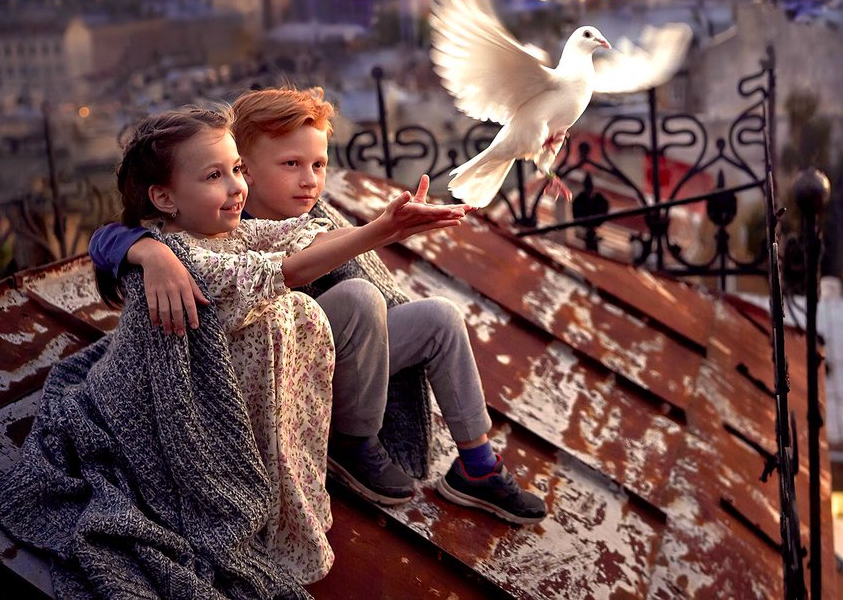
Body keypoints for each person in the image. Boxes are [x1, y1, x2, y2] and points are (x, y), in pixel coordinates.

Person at [89, 87, 548, 526]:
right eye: (291, 164)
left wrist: (389, 226)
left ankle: (478, 466)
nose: (309, 179)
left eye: (318, 164)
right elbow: (113, 235)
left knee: (439, 318)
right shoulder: (216, 221)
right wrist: (147, 250)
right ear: (245, 166)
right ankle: (353, 444)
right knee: (358, 298)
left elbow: (338, 252)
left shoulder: (313, 215)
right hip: (274, 378)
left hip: (340, 365)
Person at [102, 105, 468, 582]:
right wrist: (382, 230)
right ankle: (347, 448)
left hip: (276, 388)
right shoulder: (183, 252)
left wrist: (376, 225)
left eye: (235, 171)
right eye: (219, 174)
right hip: (204, 416)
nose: (236, 186)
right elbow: (281, 269)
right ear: (164, 197)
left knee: (361, 307)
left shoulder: (222, 226)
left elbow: (295, 236)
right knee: (301, 307)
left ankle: (464, 461)